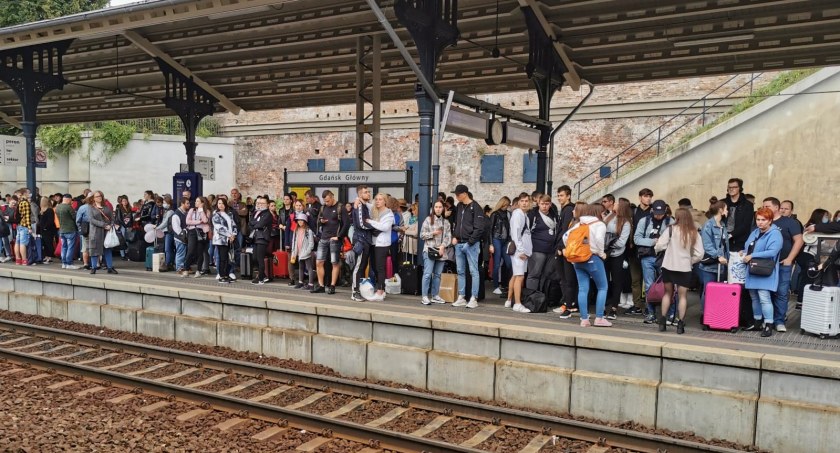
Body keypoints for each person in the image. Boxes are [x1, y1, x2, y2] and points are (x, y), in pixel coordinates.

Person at [654, 208, 704, 334]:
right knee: (683, 296)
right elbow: (700, 253)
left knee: (667, 293)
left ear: (677, 217)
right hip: (684, 268)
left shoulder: (670, 229)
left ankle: (663, 321)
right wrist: (690, 261)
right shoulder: (694, 232)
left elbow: (660, 246)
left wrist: (660, 249)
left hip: (669, 266)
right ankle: (680, 324)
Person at [565, 203, 611, 327]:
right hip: (592, 258)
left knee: (583, 288)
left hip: (577, 260)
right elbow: (600, 239)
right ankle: (599, 318)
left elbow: (565, 237)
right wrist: (601, 253)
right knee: (602, 287)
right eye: (605, 213)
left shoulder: (579, 223)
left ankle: (584, 319)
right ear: (600, 213)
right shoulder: (599, 224)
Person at [762, 197, 803, 332]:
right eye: (763, 206)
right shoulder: (763, 221)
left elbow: (799, 240)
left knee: (781, 292)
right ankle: (767, 320)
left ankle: (779, 320)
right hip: (765, 264)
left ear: (776, 208)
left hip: (783, 264)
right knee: (765, 292)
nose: (764, 209)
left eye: (767, 206)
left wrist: (790, 258)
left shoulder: (790, 222)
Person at [742, 207, 783, 337]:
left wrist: (752, 255)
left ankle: (768, 324)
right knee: (754, 296)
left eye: (763, 220)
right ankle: (757, 322)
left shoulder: (775, 233)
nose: (760, 222)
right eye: (758, 219)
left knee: (764, 298)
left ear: (770, 220)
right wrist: (743, 252)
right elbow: (747, 246)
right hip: (753, 268)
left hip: (765, 270)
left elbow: (773, 251)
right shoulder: (755, 232)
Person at [633, 199, 672, 324]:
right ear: (652, 210)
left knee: (668, 285)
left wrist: (662, 243)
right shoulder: (644, 221)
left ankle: (669, 314)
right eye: (656, 213)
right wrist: (652, 242)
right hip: (647, 256)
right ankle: (651, 313)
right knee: (649, 286)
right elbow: (636, 239)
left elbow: (675, 240)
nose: (658, 215)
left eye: (661, 213)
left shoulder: (671, 222)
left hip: (665, 257)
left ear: (665, 211)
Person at [451, 185, 485, 309]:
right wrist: (455, 235)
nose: (456, 196)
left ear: (465, 194)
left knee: (473, 271)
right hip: (459, 242)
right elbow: (457, 223)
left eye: (458, 194)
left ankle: (473, 297)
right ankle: (462, 296)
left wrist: (470, 242)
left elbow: (480, 228)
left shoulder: (476, 207)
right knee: (460, 271)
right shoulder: (459, 206)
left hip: (470, 244)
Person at [698, 201, 730, 315]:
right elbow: (707, 246)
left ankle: (716, 315)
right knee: (708, 291)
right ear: (720, 210)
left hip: (722, 266)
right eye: (726, 208)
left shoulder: (722, 225)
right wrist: (718, 256)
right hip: (710, 266)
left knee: (719, 291)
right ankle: (705, 315)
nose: (727, 211)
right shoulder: (708, 225)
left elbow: (725, 245)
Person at [419, 200, 452, 305]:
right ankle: (424, 296)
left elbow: (448, 237)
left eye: (440, 207)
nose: (438, 209)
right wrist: (433, 233)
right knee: (428, 274)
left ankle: (435, 295)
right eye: (436, 207)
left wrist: (443, 246)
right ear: (433, 209)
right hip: (429, 250)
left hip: (441, 250)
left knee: (437, 274)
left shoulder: (446, 222)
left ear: (443, 209)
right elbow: (422, 235)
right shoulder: (428, 220)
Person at [604, 199, 633, 319]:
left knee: (617, 281)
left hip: (617, 254)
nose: (614, 204)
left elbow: (621, 242)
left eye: (616, 203)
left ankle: (614, 308)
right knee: (604, 281)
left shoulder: (626, 223)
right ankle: (603, 307)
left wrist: (608, 244)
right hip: (605, 254)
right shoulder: (609, 216)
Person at [627, 188, 654, 315]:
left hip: (649, 251)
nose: (648, 198)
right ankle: (637, 305)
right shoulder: (634, 211)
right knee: (635, 280)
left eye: (650, 196)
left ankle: (650, 305)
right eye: (645, 196)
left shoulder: (654, 211)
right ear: (640, 197)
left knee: (649, 281)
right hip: (635, 251)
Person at [525, 195, 559, 293]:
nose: (544, 206)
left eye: (547, 204)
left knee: (546, 275)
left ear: (550, 204)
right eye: (542, 204)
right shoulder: (533, 215)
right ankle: (531, 297)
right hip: (537, 250)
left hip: (551, 250)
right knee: (534, 274)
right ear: (538, 204)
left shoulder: (554, 215)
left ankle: (542, 298)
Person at [313, 190, 345, 294]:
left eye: (327, 201)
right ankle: (321, 285)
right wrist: (321, 222)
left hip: (334, 239)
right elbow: (318, 221)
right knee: (319, 262)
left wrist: (339, 236)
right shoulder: (323, 208)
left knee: (334, 262)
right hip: (324, 237)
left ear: (332, 197)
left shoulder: (340, 207)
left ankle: (332, 285)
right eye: (325, 201)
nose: (326, 203)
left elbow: (347, 223)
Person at [365, 193, 395, 301]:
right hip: (374, 242)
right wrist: (359, 199)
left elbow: (385, 227)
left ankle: (380, 291)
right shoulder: (374, 210)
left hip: (382, 243)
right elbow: (367, 205)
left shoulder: (389, 213)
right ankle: (381, 289)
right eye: (376, 199)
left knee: (380, 267)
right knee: (374, 266)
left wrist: (371, 221)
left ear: (385, 201)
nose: (377, 201)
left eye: (380, 199)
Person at [554, 186, 578, 317]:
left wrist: (559, 247)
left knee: (565, 278)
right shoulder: (567, 209)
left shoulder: (568, 210)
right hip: (565, 247)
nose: (559, 198)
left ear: (568, 196)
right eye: (558, 195)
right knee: (566, 278)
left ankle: (568, 304)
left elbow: (565, 231)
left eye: (561, 195)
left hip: (564, 249)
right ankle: (569, 303)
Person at [506, 193, 532, 313]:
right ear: (519, 202)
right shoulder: (518, 214)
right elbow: (516, 233)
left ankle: (509, 300)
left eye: (527, 201)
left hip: (520, 249)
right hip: (519, 250)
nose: (525, 203)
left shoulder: (523, 214)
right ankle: (517, 303)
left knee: (516, 275)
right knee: (520, 276)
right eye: (522, 201)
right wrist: (521, 250)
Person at [348, 185, 374, 301]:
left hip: (365, 239)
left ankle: (358, 290)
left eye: (368, 192)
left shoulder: (364, 206)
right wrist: (375, 225)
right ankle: (355, 292)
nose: (368, 194)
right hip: (361, 240)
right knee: (359, 267)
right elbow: (361, 224)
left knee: (362, 266)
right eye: (365, 192)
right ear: (359, 195)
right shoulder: (359, 207)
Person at [87, 191, 117, 275]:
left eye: (100, 196)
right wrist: (104, 225)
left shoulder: (106, 207)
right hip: (96, 232)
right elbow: (91, 220)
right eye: (97, 196)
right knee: (94, 250)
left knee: (108, 249)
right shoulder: (90, 207)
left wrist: (111, 225)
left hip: (107, 232)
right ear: (93, 198)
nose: (99, 197)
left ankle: (110, 267)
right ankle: (93, 268)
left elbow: (112, 218)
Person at [487, 196, 512, 295]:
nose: (507, 207)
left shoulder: (508, 214)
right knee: (497, 264)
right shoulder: (495, 214)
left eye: (508, 205)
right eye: (506, 205)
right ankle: (496, 285)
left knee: (509, 263)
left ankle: (506, 284)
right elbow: (490, 230)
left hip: (505, 241)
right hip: (496, 239)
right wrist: (491, 244)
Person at [723, 178, 754, 252]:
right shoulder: (722, 203)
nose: (731, 189)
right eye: (729, 187)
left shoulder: (748, 205)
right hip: (723, 239)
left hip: (740, 241)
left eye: (734, 187)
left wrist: (731, 234)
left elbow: (746, 224)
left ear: (740, 188)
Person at [212, 198, 238, 284]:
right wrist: (229, 235)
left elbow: (234, 225)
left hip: (230, 239)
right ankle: (221, 275)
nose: (221, 205)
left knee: (228, 258)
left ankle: (227, 274)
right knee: (222, 258)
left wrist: (233, 234)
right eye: (219, 203)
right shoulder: (216, 215)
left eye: (222, 203)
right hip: (221, 240)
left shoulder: (229, 214)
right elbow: (219, 228)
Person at [185, 196, 211, 278]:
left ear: (202, 203)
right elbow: (187, 221)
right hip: (192, 231)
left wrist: (201, 211)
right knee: (191, 250)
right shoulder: (191, 210)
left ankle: (198, 270)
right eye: (196, 201)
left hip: (202, 232)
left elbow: (206, 220)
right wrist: (199, 221)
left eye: (198, 201)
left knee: (200, 252)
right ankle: (186, 269)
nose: (196, 203)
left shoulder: (207, 211)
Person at [248, 196, 273, 285]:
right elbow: (250, 223)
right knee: (254, 258)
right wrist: (255, 224)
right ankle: (263, 275)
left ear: (267, 205)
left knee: (260, 258)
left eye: (262, 203)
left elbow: (260, 224)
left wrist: (255, 224)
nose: (259, 205)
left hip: (262, 238)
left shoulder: (267, 214)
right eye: (258, 203)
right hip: (255, 237)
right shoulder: (255, 212)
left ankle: (261, 278)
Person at [290, 213, 316, 289]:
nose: (300, 222)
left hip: (306, 252)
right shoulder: (296, 230)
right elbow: (294, 241)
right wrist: (294, 252)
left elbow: (311, 243)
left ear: (305, 221)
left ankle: (311, 284)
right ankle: (300, 282)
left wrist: (307, 252)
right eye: (298, 220)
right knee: (301, 267)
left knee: (309, 268)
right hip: (299, 252)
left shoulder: (308, 231)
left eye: (302, 220)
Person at [55, 194, 80, 270]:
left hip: (61, 230)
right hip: (70, 230)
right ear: (69, 199)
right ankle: (69, 263)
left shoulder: (58, 207)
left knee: (64, 247)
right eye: (71, 200)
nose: (71, 202)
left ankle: (64, 263)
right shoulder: (69, 207)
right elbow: (75, 218)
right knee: (70, 247)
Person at [14, 188, 33, 265]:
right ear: (25, 193)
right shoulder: (25, 203)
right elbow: (27, 216)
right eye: (28, 192)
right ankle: (24, 260)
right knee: (23, 243)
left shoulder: (20, 202)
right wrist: (29, 227)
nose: (29, 194)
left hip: (19, 225)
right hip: (24, 225)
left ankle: (18, 259)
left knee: (17, 242)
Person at [172, 197, 190, 276]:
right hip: (179, 237)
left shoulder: (184, 213)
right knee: (180, 252)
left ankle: (182, 267)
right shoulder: (176, 214)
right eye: (187, 203)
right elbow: (176, 227)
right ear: (182, 204)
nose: (189, 205)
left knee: (182, 252)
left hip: (183, 236)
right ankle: (179, 268)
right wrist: (182, 235)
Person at [75, 193, 93, 269]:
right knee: (94, 247)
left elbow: (78, 220)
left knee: (85, 247)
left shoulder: (82, 207)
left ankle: (86, 263)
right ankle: (96, 263)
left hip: (85, 229)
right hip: (94, 229)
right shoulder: (96, 207)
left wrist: (80, 229)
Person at [38, 196, 57, 264]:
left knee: (48, 243)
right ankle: (46, 256)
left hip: (48, 229)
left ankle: (49, 256)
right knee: (44, 243)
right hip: (43, 229)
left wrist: (45, 227)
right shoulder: (42, 210)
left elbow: (50, 221)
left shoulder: (49, 210)